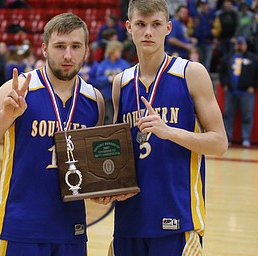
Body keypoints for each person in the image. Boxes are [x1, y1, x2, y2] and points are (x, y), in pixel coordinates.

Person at [92, 0, 228, 255]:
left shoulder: (191, 73)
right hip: (129, 220)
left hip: (177, 217)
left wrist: (169, 132)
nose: (148, 32)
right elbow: (119, 151)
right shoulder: (120, 83)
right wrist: (104, 186)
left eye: (155, 25)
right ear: (128, 27)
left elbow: (220, 142)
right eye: (141, 25)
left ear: (168, 27)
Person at [0, 13, 104, 256]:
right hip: (21, 228)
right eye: (60, 46)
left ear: (86, 51)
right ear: (44, 48)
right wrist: (6, 116)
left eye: (75, 46)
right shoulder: (18, 89)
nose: (68, 55)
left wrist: (104, 191)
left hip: (72, 229)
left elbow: (92, 171)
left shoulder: (95, 101)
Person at [219, 36, 258, 147]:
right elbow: (222, 72)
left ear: (245, 45)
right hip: (230, 92)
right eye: (238, 44)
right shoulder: (228, 58)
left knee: (247, 116)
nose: (240, 46)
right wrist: (224, 84)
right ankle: (228, 138)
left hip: (246, 92)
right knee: (227, 115)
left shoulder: (253, 59)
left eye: (242, 44)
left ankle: (246, 138)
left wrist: (253, 85)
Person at [95, 40, 130, 124]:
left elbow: (129, 77)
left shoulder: (123, 63)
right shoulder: (103, 64)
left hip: (120, 97)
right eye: (118, 51)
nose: (120, 53)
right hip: (107, 97)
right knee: (109, 119)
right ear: (112, 51)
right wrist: (109, 79)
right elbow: (97, 80)